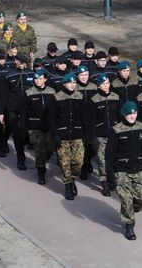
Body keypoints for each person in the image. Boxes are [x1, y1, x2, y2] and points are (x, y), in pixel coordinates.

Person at [105, 101, 142, 240]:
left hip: (139, 169)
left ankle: (132, 209)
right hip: (122, 171)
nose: (132, 116)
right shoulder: (116, 130)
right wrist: (110, 176)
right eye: (129, 114)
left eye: (135, 113)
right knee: (126, 199)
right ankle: (129, 226)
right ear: (124, 115)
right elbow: (109, 155)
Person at [49, 72, 87, 200]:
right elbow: (52, 119)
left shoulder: (80, 96)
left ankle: (72, 178)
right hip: (62, 135)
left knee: (78, 161)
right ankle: (67, 185)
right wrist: (55, 135)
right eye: (69, 83)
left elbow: (84, 117)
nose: (72, 85)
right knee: (64, 162)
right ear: (64, 84)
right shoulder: (57, 97)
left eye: (74, 83)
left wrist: (86, 133)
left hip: (77, 134)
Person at [19, 69, 56, 184]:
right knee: (40, 150)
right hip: (34, 127)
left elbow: (57, 109)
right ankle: (41, 173)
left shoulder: (52, 92)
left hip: (49, 126)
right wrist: (23, 127)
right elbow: (23, 111)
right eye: (36, 79)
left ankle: (41, 163)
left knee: (50, 148)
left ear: (45, 79)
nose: (38, 81)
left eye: (40, 78)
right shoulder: (28, 92)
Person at [87, 74, 120, 196]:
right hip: (101, 134)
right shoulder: (94, 100)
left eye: (107, 83)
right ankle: (104, 182)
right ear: (98, 86)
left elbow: (119, 116)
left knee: (113, 159)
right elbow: (91, 120)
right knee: (102, 160)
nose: (106, 86)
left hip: (114, 134)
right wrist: (93, 137)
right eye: (103, 84)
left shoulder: (115, 97)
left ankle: (113, 179)